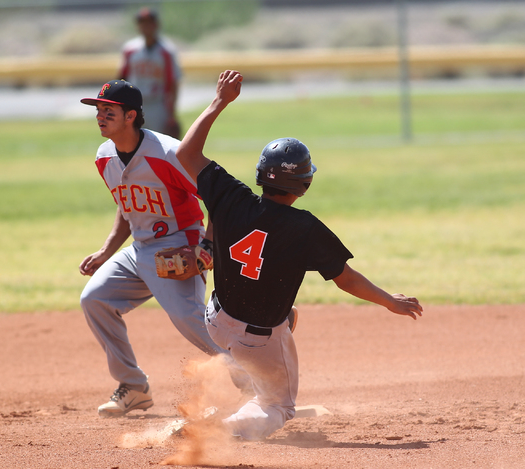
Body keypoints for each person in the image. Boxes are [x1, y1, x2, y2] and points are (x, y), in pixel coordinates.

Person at [175, 70, 424, 441]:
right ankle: (220, 428)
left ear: (261, 174)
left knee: (286, 317)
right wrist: (389, 301)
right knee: (280, 407)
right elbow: (346, 278)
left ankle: (245, 388)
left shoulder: (230, 196)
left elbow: (186, 152)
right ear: (304, 185)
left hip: (215, 319)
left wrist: (220, 102)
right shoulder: (304, 227)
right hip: (255, 337)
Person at [78, 78, 247, 418]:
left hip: (179, 243)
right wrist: (107, 251)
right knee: (94, 299)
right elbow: (127, 205)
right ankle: (134, 387)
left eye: (108, 110)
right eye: (98, 109)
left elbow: (217, 198)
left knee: (190, 319)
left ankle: (255, 381)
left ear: (131, 116)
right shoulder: (104, 156)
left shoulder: (167, 154)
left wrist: (207, 246)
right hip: (140, 248)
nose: (100, 115)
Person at [118, 7, 181, 138]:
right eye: (142, 23)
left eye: (149, 22)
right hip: (134, 104)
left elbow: (173, 83)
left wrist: (171, 114)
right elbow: (121, 79)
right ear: (138, 26)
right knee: (133, 145)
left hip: (157, 105)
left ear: (156, 25)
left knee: (160, 145)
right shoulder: (130, 49)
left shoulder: (166, 51)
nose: (146, 26)